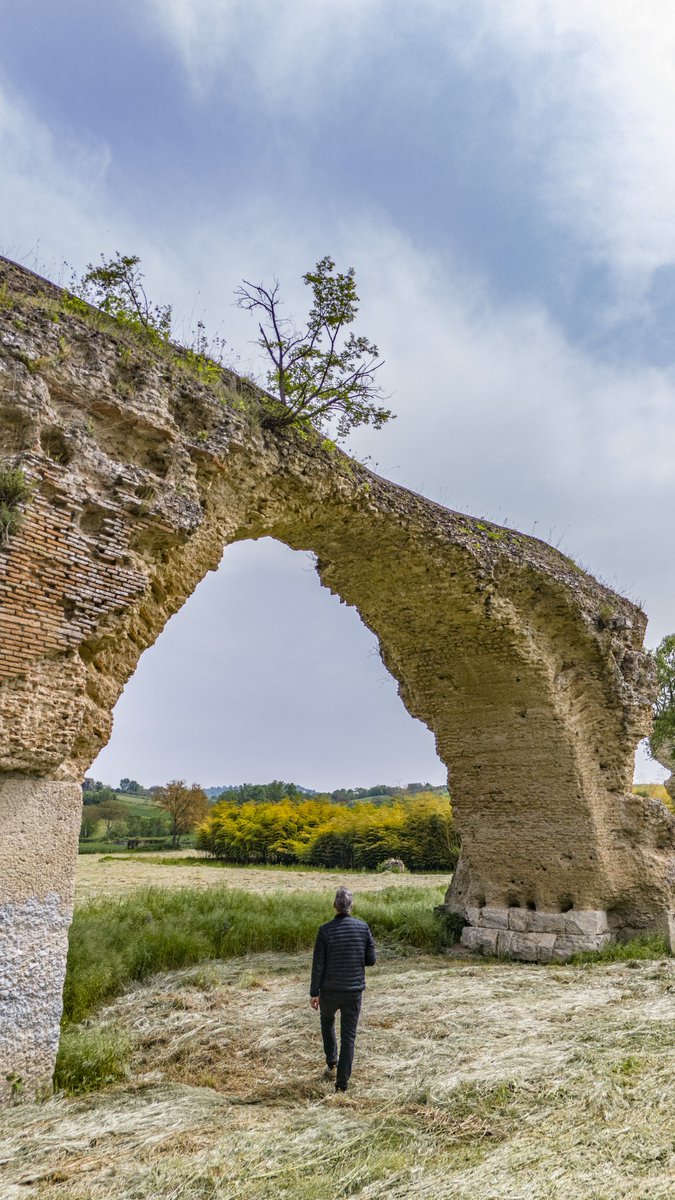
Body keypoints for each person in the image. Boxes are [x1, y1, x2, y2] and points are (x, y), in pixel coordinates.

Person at [310, 885, 377, 1092]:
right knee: (349, 1036)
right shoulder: (363, 928)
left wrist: (314, 992)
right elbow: (371, 960)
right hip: (353, 991)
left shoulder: (325, 931)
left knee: (327, 1022)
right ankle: (342, 1084)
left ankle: (331, 1061)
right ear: (351, 906)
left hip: (329, 990)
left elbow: (318, 964)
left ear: (334, 906)